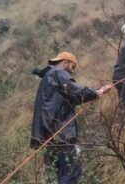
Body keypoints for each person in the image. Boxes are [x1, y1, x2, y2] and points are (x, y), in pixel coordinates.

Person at [30, 51, 112, 184]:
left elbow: (70, 95)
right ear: (65, 63)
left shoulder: (48, 77)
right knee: (71, 173)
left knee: (54, 177)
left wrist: (97, 91)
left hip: (49, 138)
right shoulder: (58, 73)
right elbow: (75, 92)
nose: (72, 72)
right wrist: (99, 92)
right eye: (72, 67)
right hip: (61, 135)